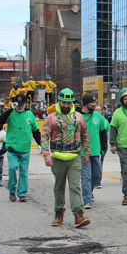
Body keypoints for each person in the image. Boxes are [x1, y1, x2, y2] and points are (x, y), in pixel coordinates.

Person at [40, 88, 91, 228]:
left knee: (75, 186)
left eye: (69, 103)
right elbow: (44, 137)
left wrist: (87, 153)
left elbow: (85, 136)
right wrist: (46, 155)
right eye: (64, 103)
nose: (66, 106)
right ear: (59, 102)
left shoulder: (79, 117)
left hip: (74, 156)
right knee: (59, 186)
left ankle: (78, 215)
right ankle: (59, 213)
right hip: (57, 157)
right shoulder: (51, 117)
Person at [0, 93, 41, 202]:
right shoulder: (11, 114)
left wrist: (40, 143)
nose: (20, 106)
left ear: (25, 103)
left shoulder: (30, 114)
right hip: (12, 147)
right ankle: (12, 190)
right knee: (12, 168)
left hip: (25, 148)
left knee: (23, 172)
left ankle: (22, 193)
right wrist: (9, 110)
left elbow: (35, 131)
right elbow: (0, 121)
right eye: (18, 104)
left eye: (22, 104)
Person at [80, 94, 107, 209]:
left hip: (96, 151)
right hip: (82, 152)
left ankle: (89, 191)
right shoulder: (78, 116)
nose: (95, 105)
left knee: (96, 175)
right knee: (86, 176)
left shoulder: (98, 116)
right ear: (86, 103)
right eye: (93, 103)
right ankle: (87, 200)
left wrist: (103, 148)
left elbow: (103, 133)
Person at [94, 105, 110, 188]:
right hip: (93, 144)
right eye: (96, 109)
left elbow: (107, 129)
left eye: (99, 110)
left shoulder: (104, 120)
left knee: (100, 162)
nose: (98, 111)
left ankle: (98, 181)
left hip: (102, 144)